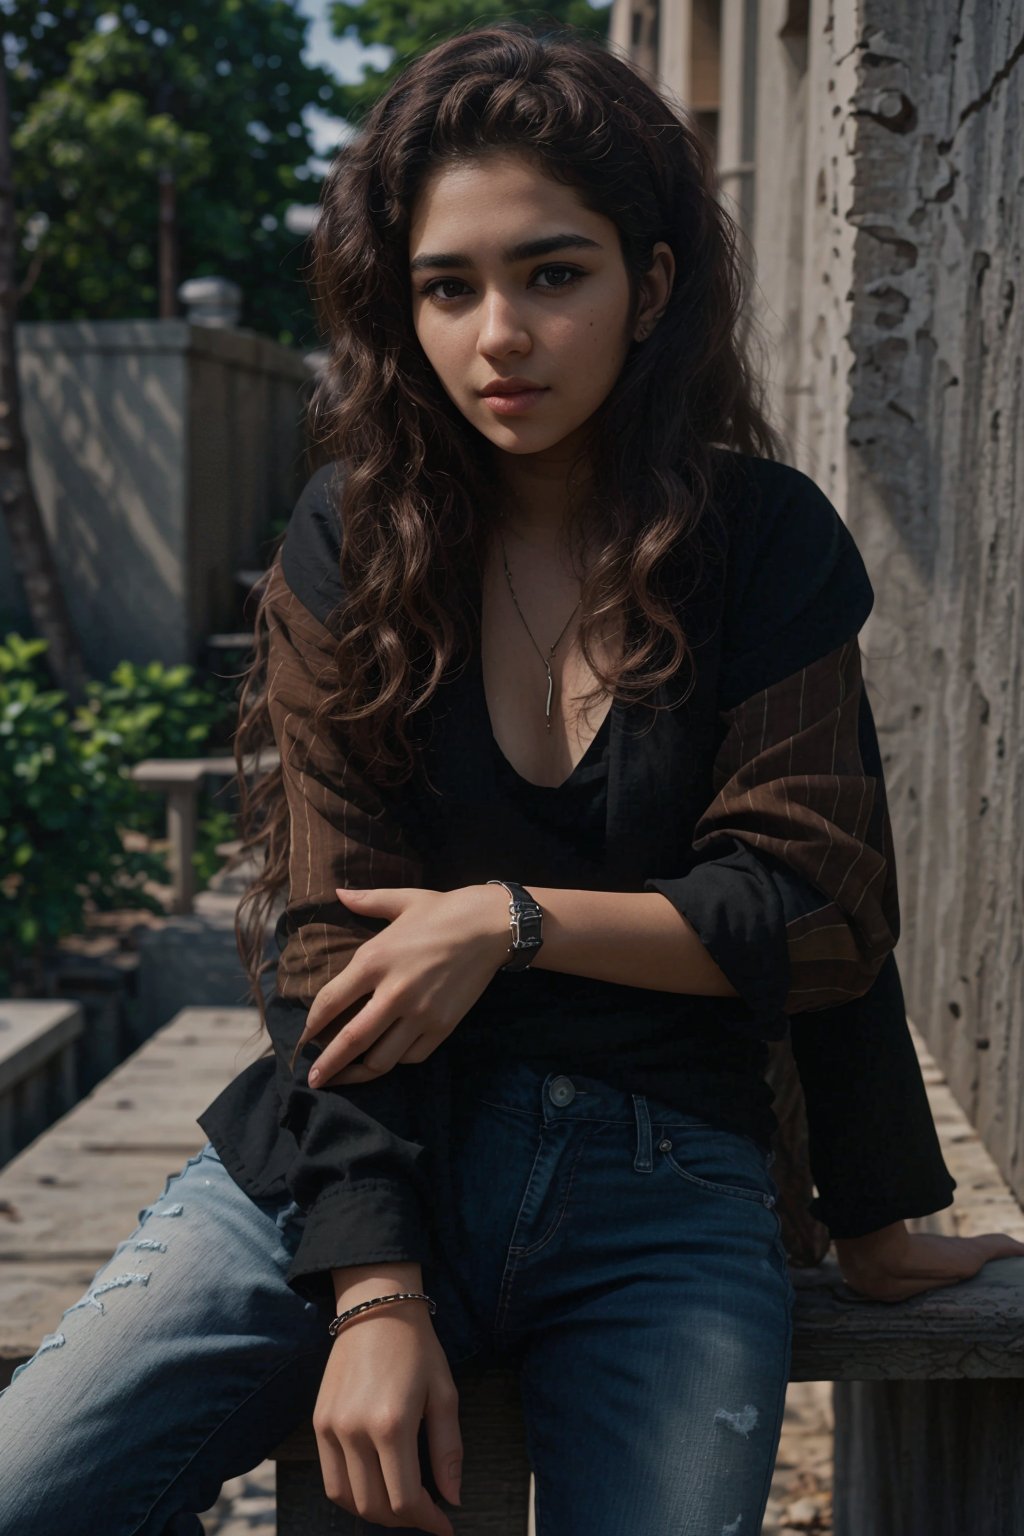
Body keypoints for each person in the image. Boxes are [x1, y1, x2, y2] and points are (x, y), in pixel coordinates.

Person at [2, 24, 1022, 1536]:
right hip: (346, 1157)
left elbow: (814, 900)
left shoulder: (765, 538)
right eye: (448, 286)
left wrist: (508, 920)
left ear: (651, 285)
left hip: (666, 1187)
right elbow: (329, 944)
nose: (500, 336)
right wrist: (375, 1287)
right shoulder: (350, 539)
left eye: (554, 274)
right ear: (396, 302)